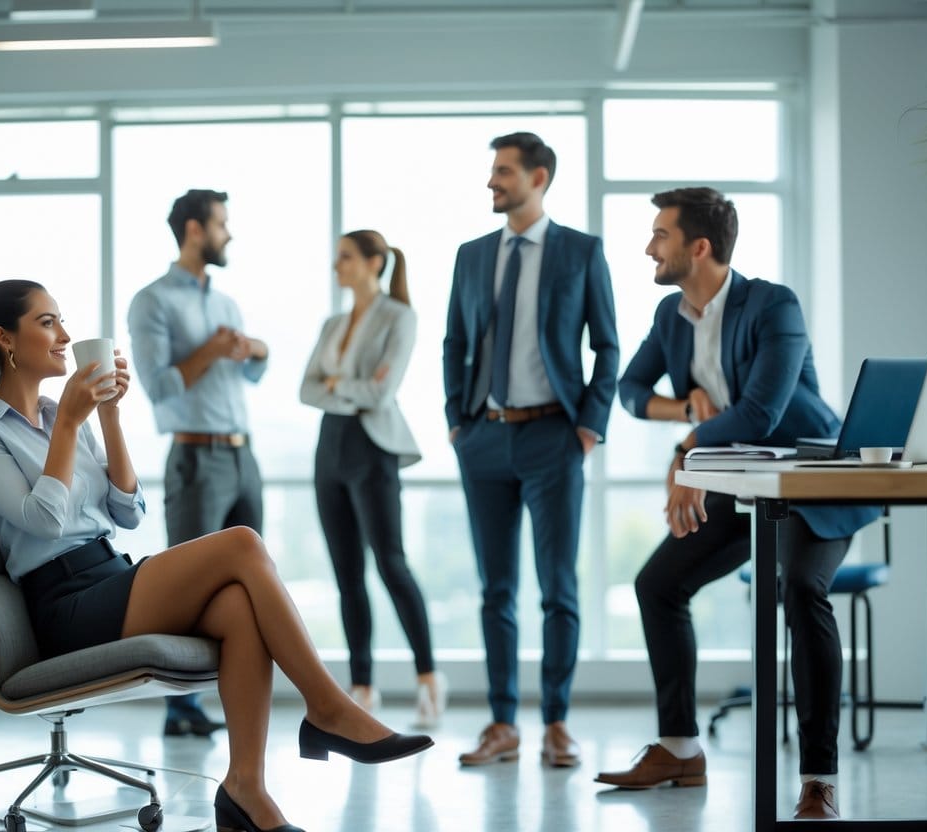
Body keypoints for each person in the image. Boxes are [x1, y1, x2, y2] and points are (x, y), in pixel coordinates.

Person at [0, 280, 433, 832]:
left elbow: (127, 511)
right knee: (243, 543)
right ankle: (327, 708)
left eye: (62, 321)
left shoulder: (65, 415)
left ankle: (246, 790)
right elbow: (42, 520)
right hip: (63, 604)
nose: (66, 336)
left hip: (109, 573)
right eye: (49, 322)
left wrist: (107, 416)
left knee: (238, 608)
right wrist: (70, 425)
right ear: (5, 339)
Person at [594, 188, 879, 820]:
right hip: (741, 480)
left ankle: (818, 779)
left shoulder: (773, 304)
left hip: (810, 482)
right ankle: (679, 748)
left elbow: (762, 411)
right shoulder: (673, 315)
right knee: (657, 585)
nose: (648, 246)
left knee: (801, 588)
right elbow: (631, 390)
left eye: (659, 235)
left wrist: (687, 451)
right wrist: (687, 408)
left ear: (699, 247)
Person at [442, 132, 619, 768]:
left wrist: (589, 425)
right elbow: (453, 340)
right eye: (493, 171)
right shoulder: (471, 255)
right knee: (496, 591)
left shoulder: (580, 252)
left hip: (553, 437)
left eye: (504, 172)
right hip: (483, 437)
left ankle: (557, 723)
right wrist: (457, 424)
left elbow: (608, 346)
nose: (493, 182)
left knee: (558, 589)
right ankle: (500, 723)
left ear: (538, 178)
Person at [128, 188, 266, 739]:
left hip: (242, 455)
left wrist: (254, 349)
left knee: (252, 584)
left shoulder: (226, 302)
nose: (228, 233)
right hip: (194, 456)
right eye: (221, 224)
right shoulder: (152, 301)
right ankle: (180, 708)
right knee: (190, 588)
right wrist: (210, 350)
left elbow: (251, 374)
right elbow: (158, 386)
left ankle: (235, 702)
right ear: (193, 230)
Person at [299, 230, 447, 728]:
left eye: (345, 257)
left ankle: (428, 678)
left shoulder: (399, 317)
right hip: (331, 449)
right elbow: (306, 389)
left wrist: (336, 386)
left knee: (391, 563)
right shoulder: (332, 322)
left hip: (373, 448)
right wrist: (349, 389)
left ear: (373, 263)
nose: (336, 265)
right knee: (347, 575)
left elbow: (383, 396)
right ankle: (362, 684)